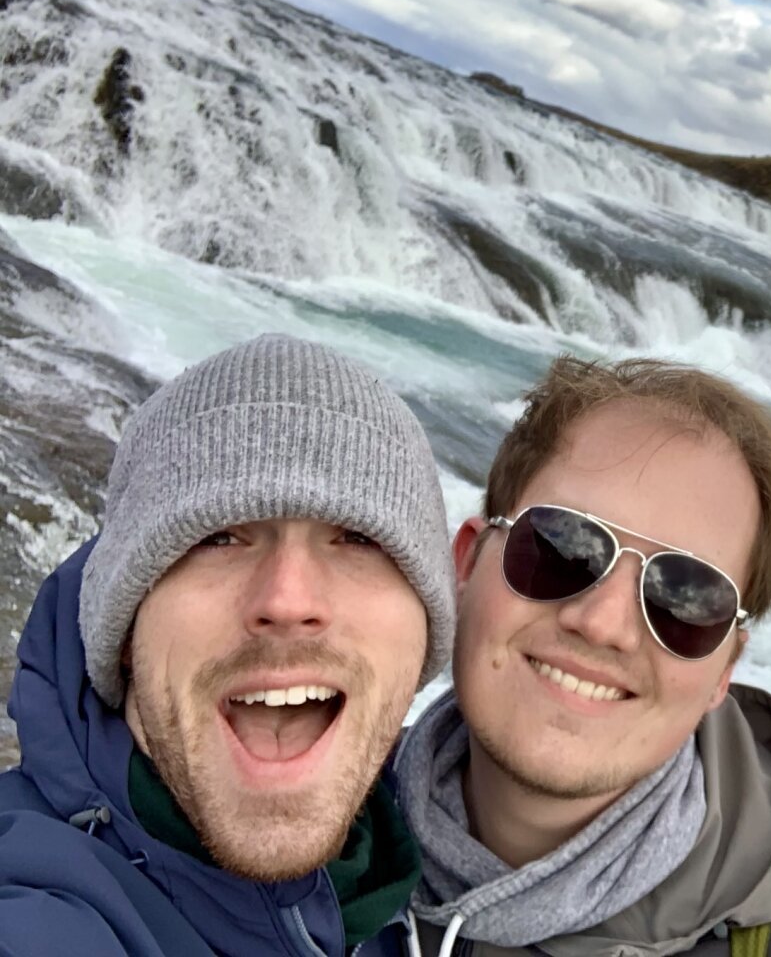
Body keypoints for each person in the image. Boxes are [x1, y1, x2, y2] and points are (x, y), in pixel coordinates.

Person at [398, 356, 771, 956]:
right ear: (468, 561)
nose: (604, 623)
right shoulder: (304, 830)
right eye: (563, 547)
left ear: (724, 672)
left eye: (685, 597)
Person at [0, 334, 456, 956]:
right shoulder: (38, 912)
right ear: (127, 634)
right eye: (217, 537)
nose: (288, 600)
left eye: (357, 538)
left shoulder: (426, 890)